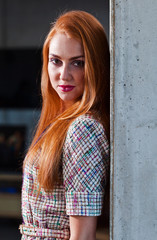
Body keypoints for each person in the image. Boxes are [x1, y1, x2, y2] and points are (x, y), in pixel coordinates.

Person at [19, 10, 110, 240]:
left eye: (78, 63)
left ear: (96, 66)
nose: (64, 74)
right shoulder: (60, 121)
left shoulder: (84, 129)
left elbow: (83, 236)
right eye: (56, 61)